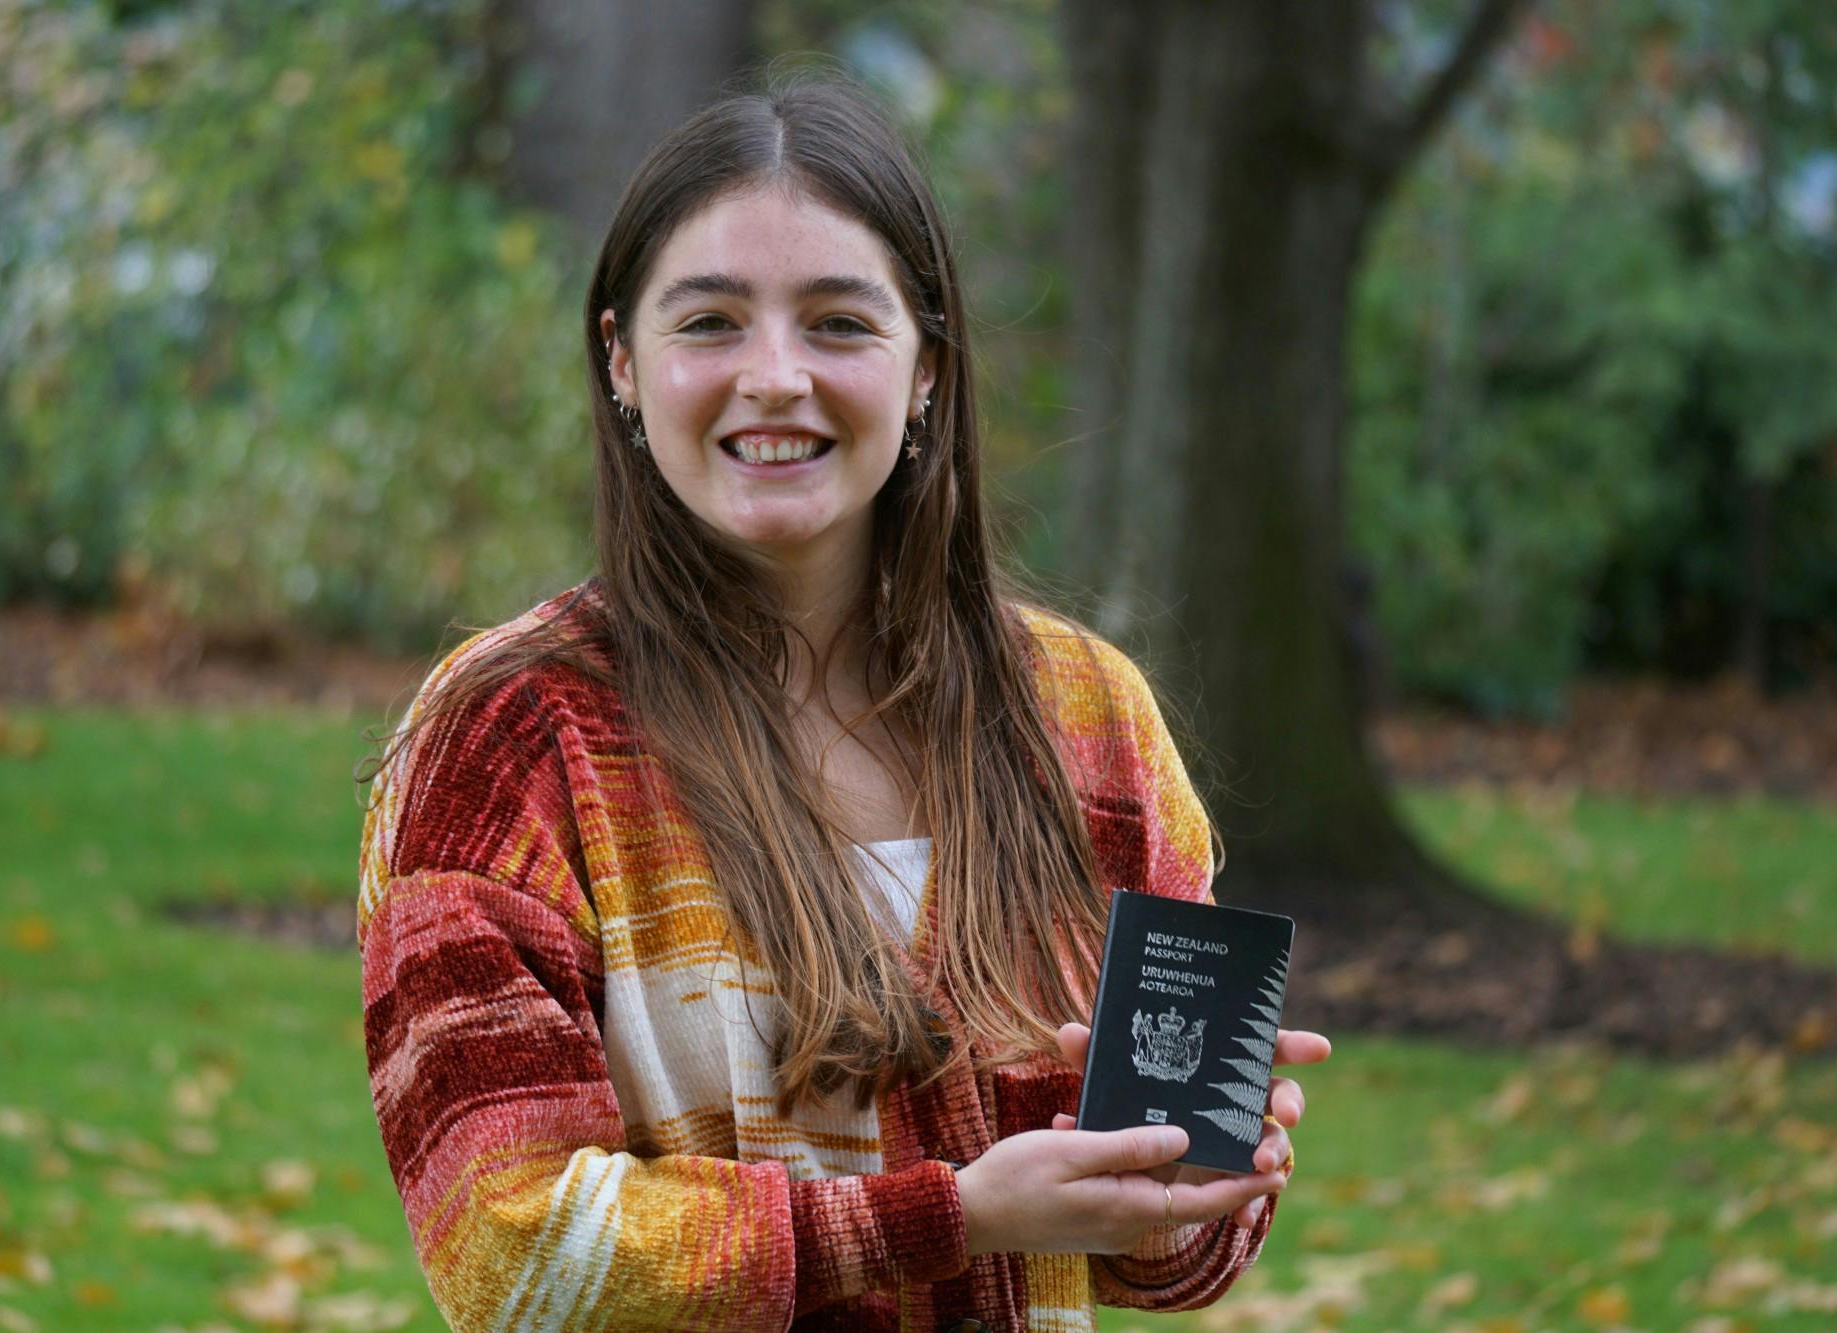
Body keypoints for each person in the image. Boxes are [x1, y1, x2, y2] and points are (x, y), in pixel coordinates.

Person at [357, 70, 1331, 1332]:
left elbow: (1167, 1263)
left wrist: (1200, 1171)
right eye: (707, 322)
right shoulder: (507, 740)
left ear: (925, 365)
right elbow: (512, 1254)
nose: (773, 376)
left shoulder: (1084, 717)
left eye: (837, 323)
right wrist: (950, 1215)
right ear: (620, 362)